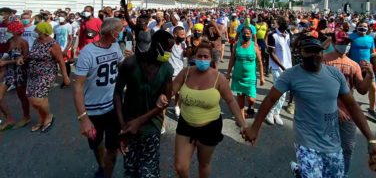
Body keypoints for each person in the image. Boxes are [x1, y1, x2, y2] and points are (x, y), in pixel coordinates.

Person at [242, 36, 376, 178]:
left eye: (317, 51)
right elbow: (270, 99)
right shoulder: (291, 75)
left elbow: (353, 106)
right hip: (306, 144)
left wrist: (372, 140)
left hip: (333, 146)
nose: (313, 55)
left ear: (322, 53)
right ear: (300, 53)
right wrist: (255, 128)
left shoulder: (335, 75)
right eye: (308, 51)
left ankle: (299, 171)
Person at [173, 41, 246, 178]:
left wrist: (242, 124)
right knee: (180, 167)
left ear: (211, 59)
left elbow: (230, 100)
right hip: (185, 126)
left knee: (204, 164)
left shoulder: (219, 78)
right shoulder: (185, 73)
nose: (202, 59)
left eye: (206, 57)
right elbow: (170, 90)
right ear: (194, 57)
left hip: (210, 128)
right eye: (199, 56)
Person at [114, 30, 174, 178]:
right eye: (167, 48)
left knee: (148, 172)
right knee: (130, 170)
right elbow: (117, 93)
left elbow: (166, 101)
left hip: (151, 127)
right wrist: (123, 126)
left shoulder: (167, 69)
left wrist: (139, 121)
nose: (169, 52)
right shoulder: (130, 63)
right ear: (156, 45)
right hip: (128, 126)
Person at [73, 18, 124, 178]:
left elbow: (120, 65)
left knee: (113, 147)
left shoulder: (115, 46)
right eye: (120, 31)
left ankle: (107, 171)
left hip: (112, 106)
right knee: (95, 143)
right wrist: (83, 118)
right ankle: (102, 165)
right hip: (93, 110)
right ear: (113, 33)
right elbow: (78, 86)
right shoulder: (88, 53)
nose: (122, 34)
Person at [323, 32, 373, 177]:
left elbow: (362, 90)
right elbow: (319, 90)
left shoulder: (353, 65)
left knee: (348, 147)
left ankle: (342, 173)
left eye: (347, 42)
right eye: (341, 42)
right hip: (325, 112)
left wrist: (369, 75)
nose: (345, 45)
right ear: (333, 43)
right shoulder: (324, 62)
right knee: (325, 147)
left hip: (348, 113)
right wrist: (335, 109)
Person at [26, 22, 70, 133]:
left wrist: (65, 76)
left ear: (43, 32)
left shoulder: (53, 44)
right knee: (33, 99)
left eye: (37, 31)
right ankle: (42, 118)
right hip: (32, 74)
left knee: (38, 99)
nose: (35, 32)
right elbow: (32, 55)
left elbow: (60, 61)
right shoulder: (37, 41)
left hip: (46, 74)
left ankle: (48, 116)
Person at [227, 26, 265, 120]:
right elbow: (232, 59)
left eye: (248, 34)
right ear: (241, 34)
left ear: (251, 35)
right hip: (238, 76)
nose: (246, 35)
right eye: (244, 33)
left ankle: (250, 107)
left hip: (250, 77)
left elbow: (260, 62)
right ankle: (241, 118)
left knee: (251, 99)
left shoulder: (255, 46)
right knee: (240, 95)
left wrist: (262, 77)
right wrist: (228, 73)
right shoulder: (237, 45)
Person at [0, 22, 30, 130]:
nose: (7, 32)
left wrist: (6, 62)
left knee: (22, 96)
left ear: (14, 31)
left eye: (9, 30)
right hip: (9, 73)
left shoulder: (23, 42)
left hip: (19, 73)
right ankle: (9, 119)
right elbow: (7, 55)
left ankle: (26, 117)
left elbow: (25, 58)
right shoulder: (9, 41)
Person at [348, 21, 376, 121]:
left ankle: (372, 110)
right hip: (353, 67)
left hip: (366, 68)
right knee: (350, 89)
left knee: (374, 88)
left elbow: (373, 54)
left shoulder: (370, 39)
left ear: (368, 28)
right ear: (356, 27)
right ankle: (350, 109)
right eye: (360, 26)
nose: (363, 28)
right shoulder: (351, 37)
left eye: (365, 26)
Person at [265, 17, 292, 125]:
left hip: (288, 66)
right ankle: (269, 113)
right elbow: (271, 53)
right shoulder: (273, 36)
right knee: (278, 91)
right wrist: (282, 66)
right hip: (277, 67)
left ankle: (277, 113)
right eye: (285, 22)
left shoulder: (288, 35)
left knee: (284, 93)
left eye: (288, 22)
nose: (287, 24)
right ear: (279, 24)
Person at [0, 7, 14, 130]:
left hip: (9, 63)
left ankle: (9, 119)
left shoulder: (14, 27)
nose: (2, 16)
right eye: (1, 14)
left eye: (4, 14)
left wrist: (6, 59)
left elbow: (18, 44)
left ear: (10, 15)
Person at [53, 11, 73, 88]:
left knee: (65, 64)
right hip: (57, 48)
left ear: (65, 17)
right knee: (56, 63)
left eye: (62, 16)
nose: (60, 17)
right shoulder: (55, 27)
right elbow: (55, 38)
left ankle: (66, 79)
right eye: (59, 16)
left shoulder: (68, 26)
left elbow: (71, 39)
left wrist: (66, 50)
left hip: (65, 48)